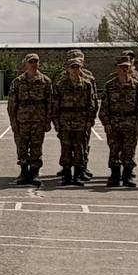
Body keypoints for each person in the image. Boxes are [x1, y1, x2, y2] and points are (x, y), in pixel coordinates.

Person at [49, 51, 100, 186]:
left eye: (77, 66)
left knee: (80, 148)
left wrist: (90, 121)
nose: (75, 69)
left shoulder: (87, 83)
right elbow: (55, 105)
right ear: (68, 68)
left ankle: (79, 173)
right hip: (65, 121)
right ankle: (66, 175)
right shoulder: (61, 84)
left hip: (81, 121)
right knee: (65, 148)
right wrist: (56, 122)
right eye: (73, 66)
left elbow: (92, 103)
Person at [99, 51, 138, 188]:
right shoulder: (110, 85)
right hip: (114, 122)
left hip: (130, 122)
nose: (125, 69)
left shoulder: (136, 85)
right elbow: (104, 107)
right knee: (114, 149)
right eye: (122, 67)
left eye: (127, 66)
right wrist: (106, 122)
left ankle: (127, 176)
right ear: (117, 68)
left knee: (129, 150)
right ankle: (114, 176)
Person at [5, 52, 53, 185]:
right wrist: (13, 122)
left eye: (36, 62)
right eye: (31, 62)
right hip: (22, 121)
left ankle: (34, 173)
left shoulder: (45, 81)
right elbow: (12, 104)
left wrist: (48, 121)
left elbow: (49, 103)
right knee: (22, 147)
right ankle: (23, 172)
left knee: (37, 147)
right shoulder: (18, 82)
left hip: (39, 121)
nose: (33, 64)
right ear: (25, 64)